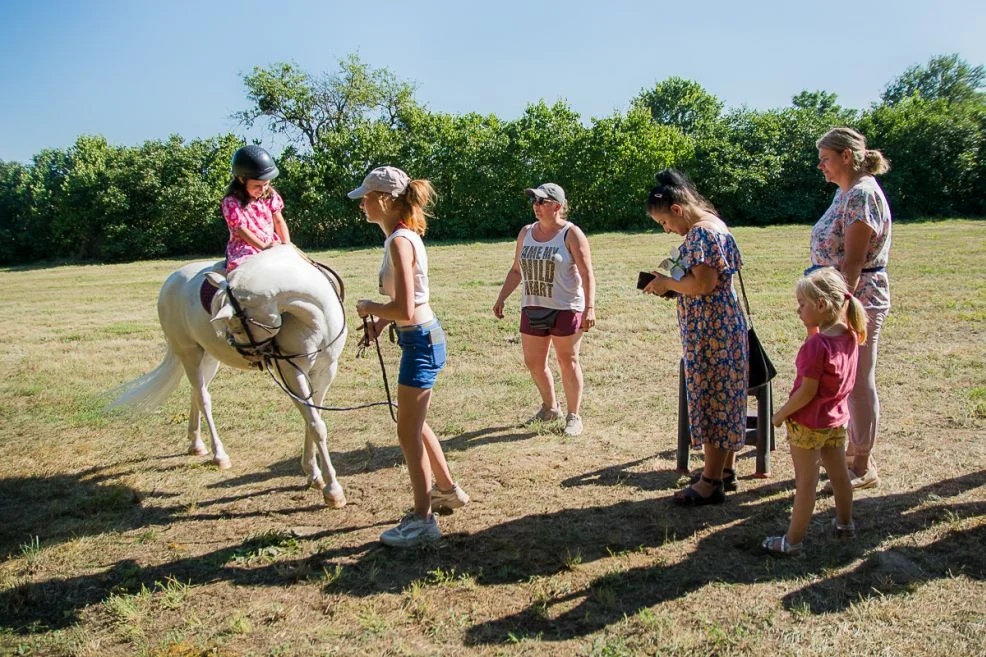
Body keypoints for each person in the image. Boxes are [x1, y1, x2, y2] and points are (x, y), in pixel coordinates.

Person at [350, 166, 469, 548]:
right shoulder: (403, 238)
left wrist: (371, 307)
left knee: (407, 433)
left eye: (366, 197)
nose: (362, 204)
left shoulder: (400, 242)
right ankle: (447, 491)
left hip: (419, 341)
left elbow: (403, 307)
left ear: (385, 199)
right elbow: (411, 301)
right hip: (419, 337)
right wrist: (380, 325)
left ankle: (423, 521)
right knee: (413, 425)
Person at [642, 169, 747, 505]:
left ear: (677, 210)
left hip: (711, 331)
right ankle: (724, 471)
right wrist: (671, 284)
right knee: (724, 398)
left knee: (714, 399)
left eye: (663, 223)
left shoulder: (701, 233)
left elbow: (703, 285)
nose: (667, 230)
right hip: (721, 326)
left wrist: (667, 283)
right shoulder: (714, 225)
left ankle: (710, 481)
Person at [763, 268, 867, 555]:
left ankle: (791, 542)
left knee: (806, 483)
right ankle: (845, 525)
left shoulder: (816, 346)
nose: (798, 310)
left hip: (807, 425)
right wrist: (814, 327)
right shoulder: (849, 334)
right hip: (836, 421)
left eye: (802, 304)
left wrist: (781, 414)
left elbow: (807, 392)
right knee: (839, 476)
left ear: (821, 305)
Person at [810, 127, 892, 491]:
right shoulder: (846, 192)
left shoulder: (862, 194)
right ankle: (844, 452)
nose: (820, 166)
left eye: (825, 158)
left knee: (857, 379)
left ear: (846, 157)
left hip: (855, 299)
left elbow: (854, 262)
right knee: (838, 377)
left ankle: (861, 463)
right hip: (833, 299)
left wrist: (840, 310)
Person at [492, 183, 597, 437]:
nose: (536, 206)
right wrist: (502, 297)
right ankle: (550, 408)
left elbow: (586, 273)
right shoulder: (526, 232)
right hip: (533, 306)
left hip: (566, 307)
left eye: (541, 202)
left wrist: (590, 308)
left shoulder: (571, 234)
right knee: (534, 362)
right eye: (534, 201)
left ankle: (574, 416)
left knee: (567, 361)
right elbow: (517, 270)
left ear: (557, 207)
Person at [221, 145, 291, 272]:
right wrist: (263, 247)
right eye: (257, 185)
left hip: (271, 243)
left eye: (266, 184)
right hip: (246, 247)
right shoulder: (231, 202)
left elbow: (279, 220)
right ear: (242, 179)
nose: (262, 189)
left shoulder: (269, 196)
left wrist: (286, 244)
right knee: (245, 271)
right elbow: (241, 230)